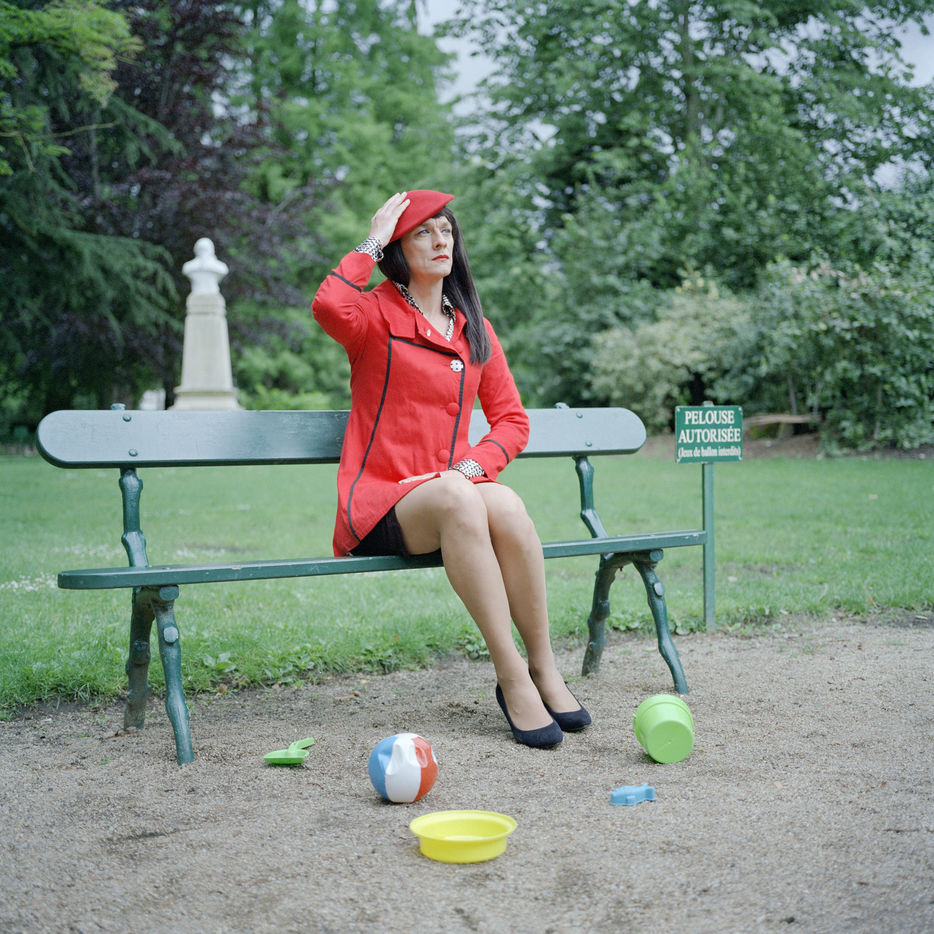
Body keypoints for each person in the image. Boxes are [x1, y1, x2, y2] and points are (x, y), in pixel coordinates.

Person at [311, 190, 590, 748]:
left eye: (447, 230)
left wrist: (464, 468)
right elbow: (328, 306)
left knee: (504, 501)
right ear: (397, 248)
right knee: (461, 496)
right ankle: (511, 674)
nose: (441, 241)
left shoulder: (472, 328)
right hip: (381, 503)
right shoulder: (372, 315)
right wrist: (372, 239)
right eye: (423, 232)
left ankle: (543, 666)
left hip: (450, 496)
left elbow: (511, 421)